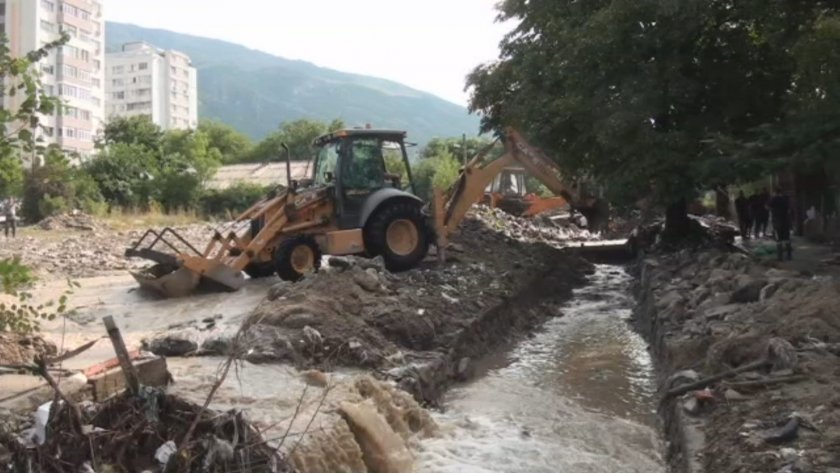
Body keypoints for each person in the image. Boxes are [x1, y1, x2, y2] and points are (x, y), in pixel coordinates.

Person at [768, 187, 792, 261]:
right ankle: (789, 256)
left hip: (777, 221)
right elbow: (789, 210)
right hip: (786, 221)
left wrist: (773, 210)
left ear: (775, 192)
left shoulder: (774, 199)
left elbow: (766, 206)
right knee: (787, 239)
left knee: (779, 240)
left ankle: (780, 257)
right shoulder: (786, 199)